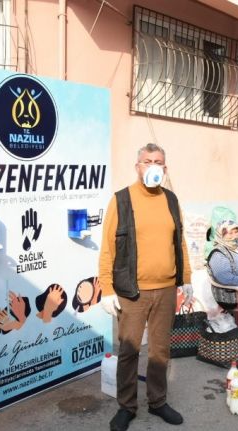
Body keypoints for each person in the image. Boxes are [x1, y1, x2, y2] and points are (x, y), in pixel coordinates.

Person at [98, 143, 192, 431]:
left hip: (166, 289)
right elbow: (108, 248)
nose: (153, 166)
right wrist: (107, 288)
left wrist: (187, 278)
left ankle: (157, 401)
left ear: (165, 168)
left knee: (160, 350)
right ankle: (126, 406)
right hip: (132, 292)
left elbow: (180, 242)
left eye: (158, 162)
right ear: (137, 166)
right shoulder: (121, 200)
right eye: (147, 161)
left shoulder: (171, 200)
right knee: (129, 350)